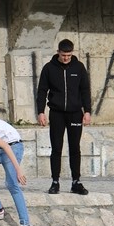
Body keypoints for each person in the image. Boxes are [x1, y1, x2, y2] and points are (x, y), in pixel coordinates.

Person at [35, 38, 92, 195]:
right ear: (58, 52)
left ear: (71, 53)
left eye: (68, 55)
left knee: (75, 148)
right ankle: (55, 182)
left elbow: (85, 90)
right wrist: (41, 111)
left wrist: (87, 111)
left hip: (75, 113)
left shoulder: (79, 67)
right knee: (56, 148)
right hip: (57, 113)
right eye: (63, 55)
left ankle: (76, 182)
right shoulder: (49, 68)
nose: (66, 58)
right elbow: (42, 91)